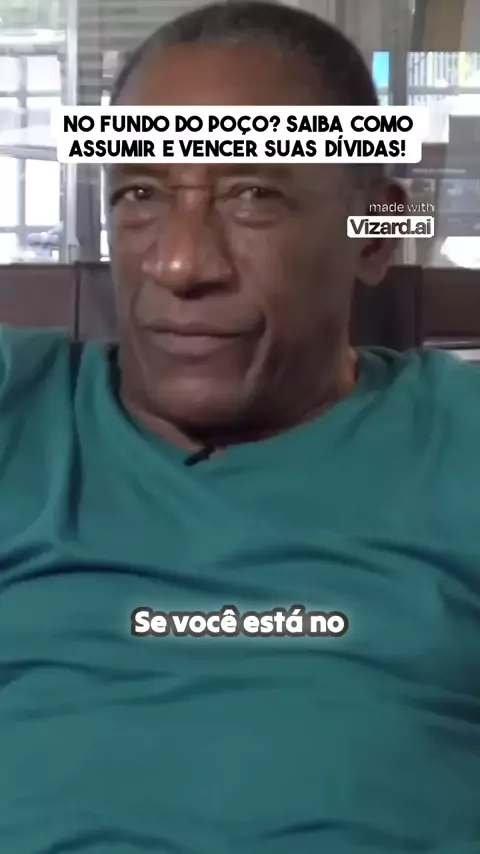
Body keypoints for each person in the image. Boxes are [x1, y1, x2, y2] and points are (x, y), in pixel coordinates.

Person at [0, 3, 479, 853]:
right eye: (140, 193)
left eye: (254, 195)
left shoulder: (458, 438)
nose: (180, 263)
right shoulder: (20, 406)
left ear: (374, 235)